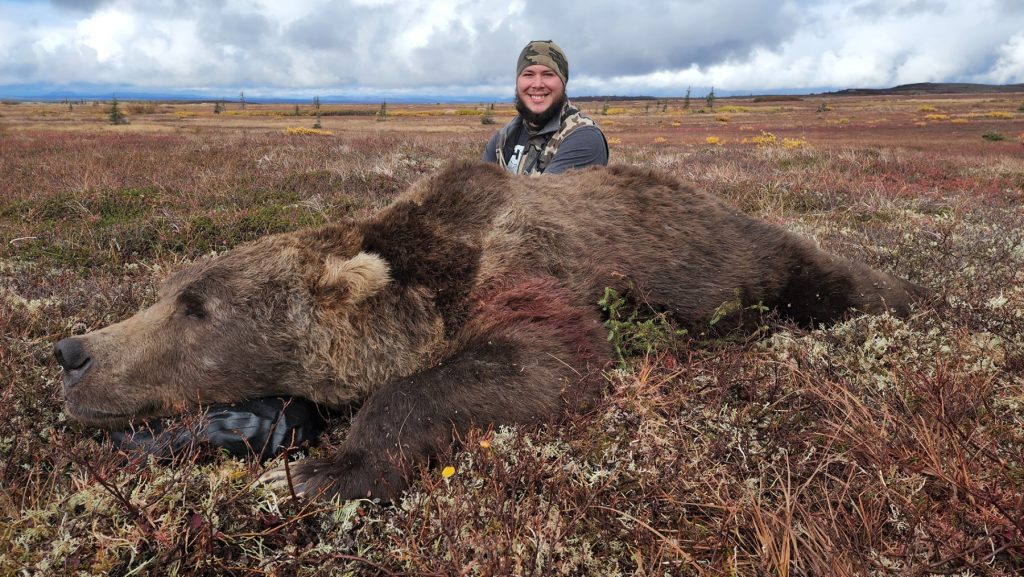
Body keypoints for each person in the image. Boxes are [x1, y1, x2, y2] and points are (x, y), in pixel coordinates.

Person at [483, 40, 608, 175]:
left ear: (563, 82)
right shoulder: (503, 138)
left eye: (548, 74)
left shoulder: (585, 138)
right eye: (528, 74)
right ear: (517, 82)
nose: (537, 84)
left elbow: (548, 196)